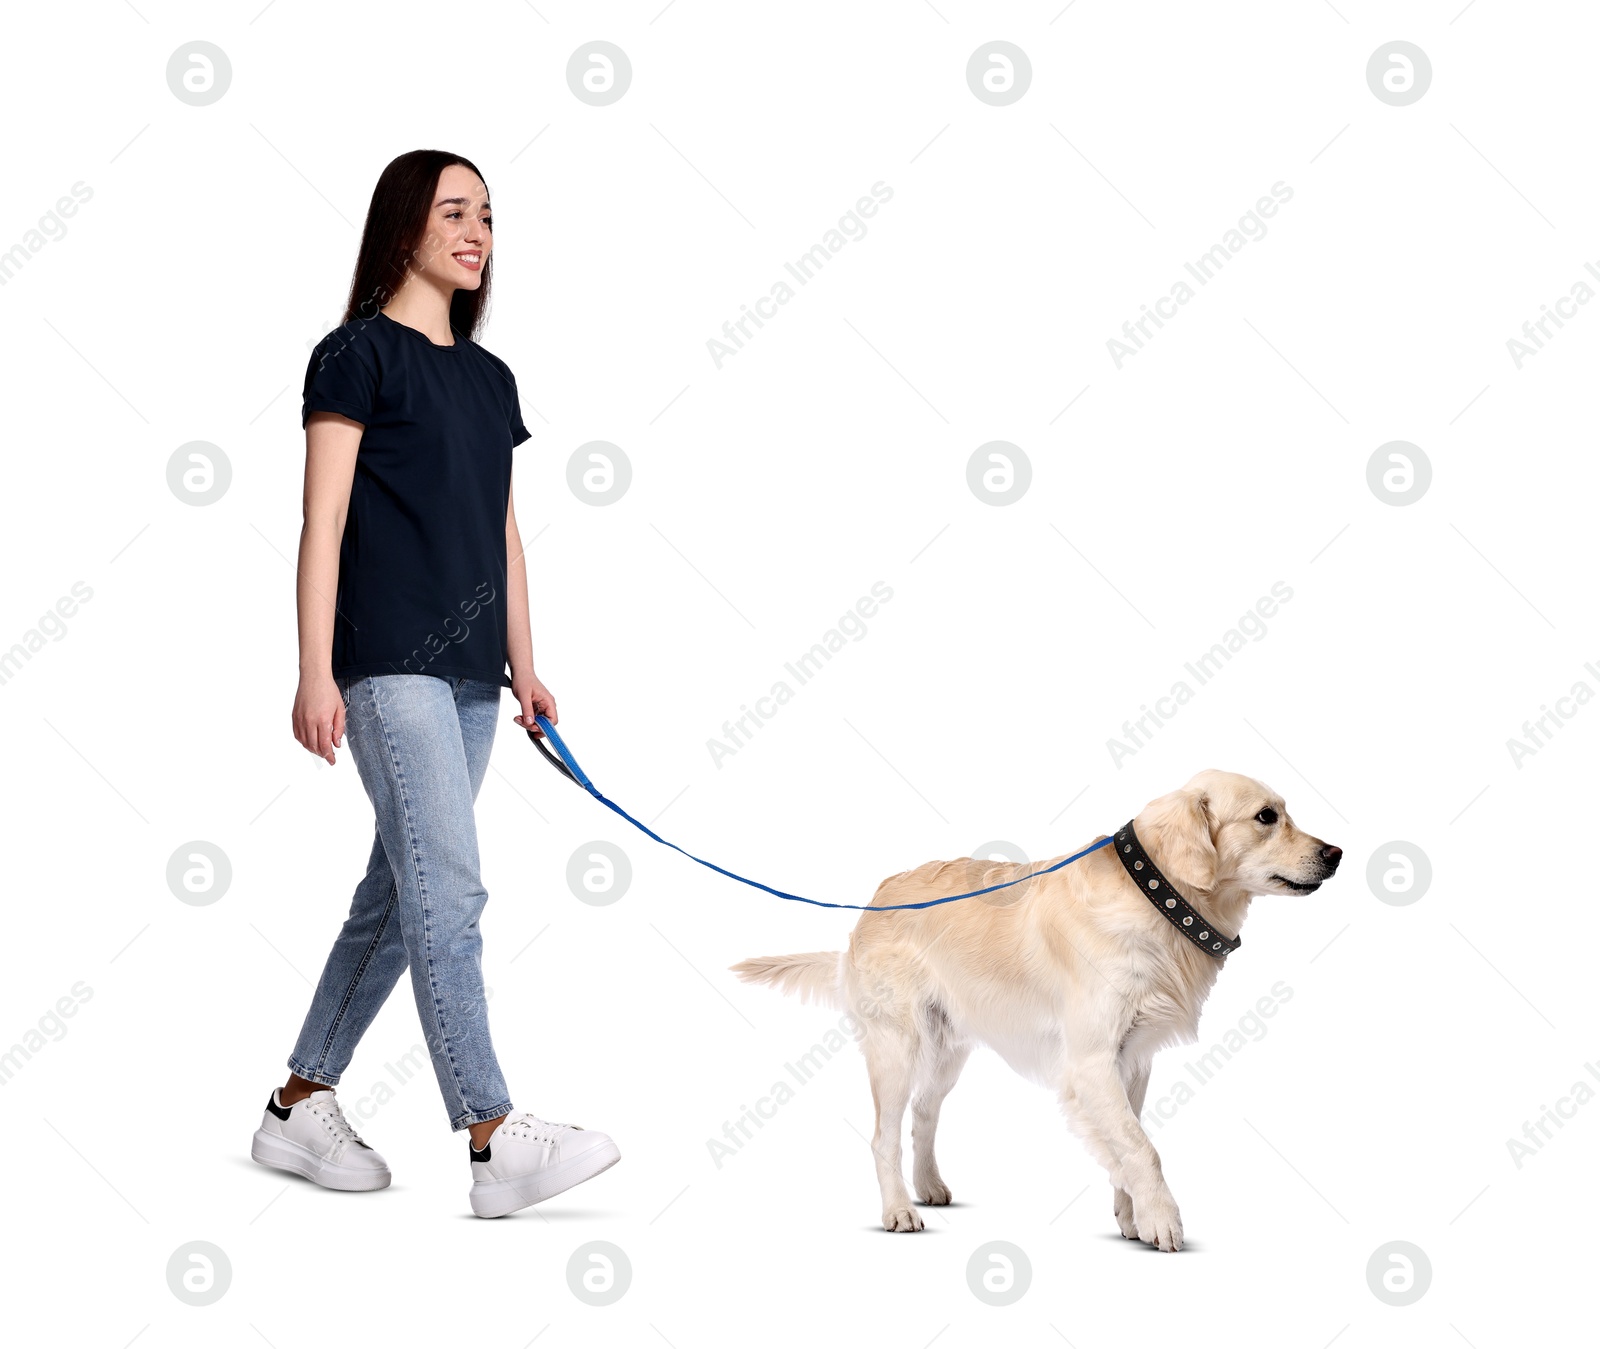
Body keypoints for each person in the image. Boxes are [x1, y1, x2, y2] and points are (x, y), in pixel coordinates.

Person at [249, 149, 619, 1218]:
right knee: (451, 891)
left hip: (466, 675)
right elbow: (320, 520)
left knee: (399, 893)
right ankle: (493, 1136)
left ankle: (294, 1105)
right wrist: (315, 669)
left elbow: (502, 529)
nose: (476, 231)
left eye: (489, 217)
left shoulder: (489, 379)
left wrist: (526, 662)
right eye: (454, 211)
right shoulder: (354, 355)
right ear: (402, 226)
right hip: (383, 663)